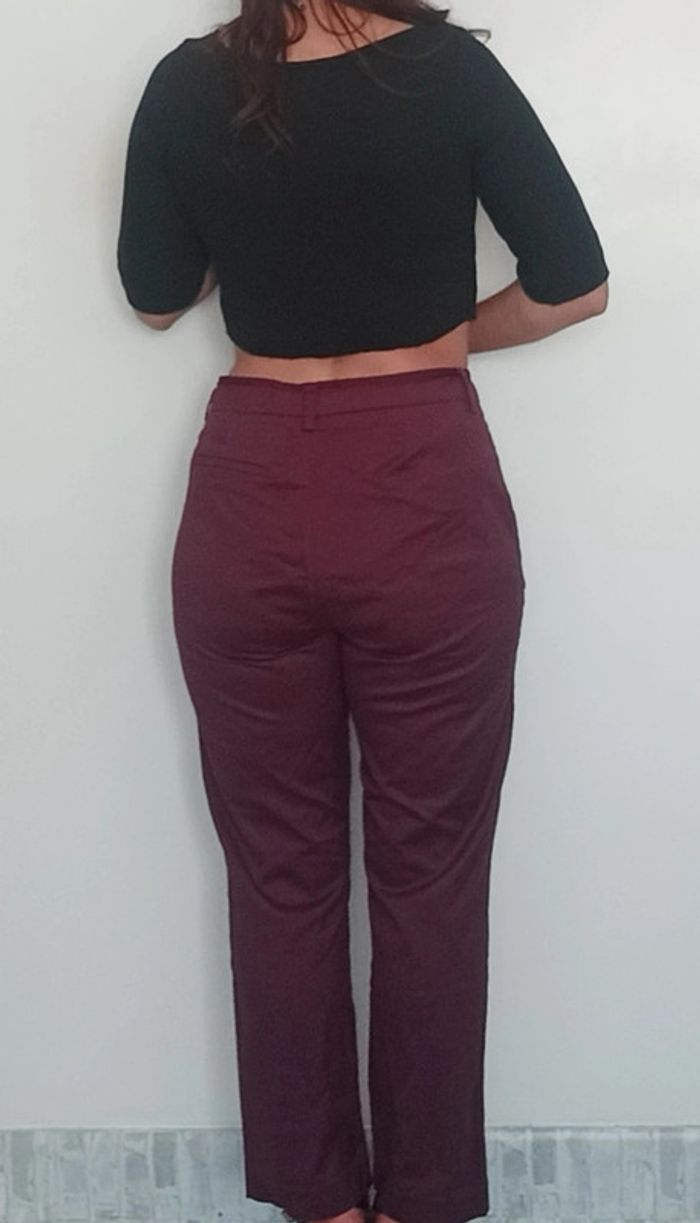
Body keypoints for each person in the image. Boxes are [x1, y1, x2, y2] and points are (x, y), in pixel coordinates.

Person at [116, 5, 609, 1223]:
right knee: (430, 869)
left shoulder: (188, 85)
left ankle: (322, 1201)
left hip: (251, 488)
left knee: (277, 871)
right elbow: (573, 284)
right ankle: (423, 1199)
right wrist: (439, 337)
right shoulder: (448, 71)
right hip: (419, 482)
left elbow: (156, 296)